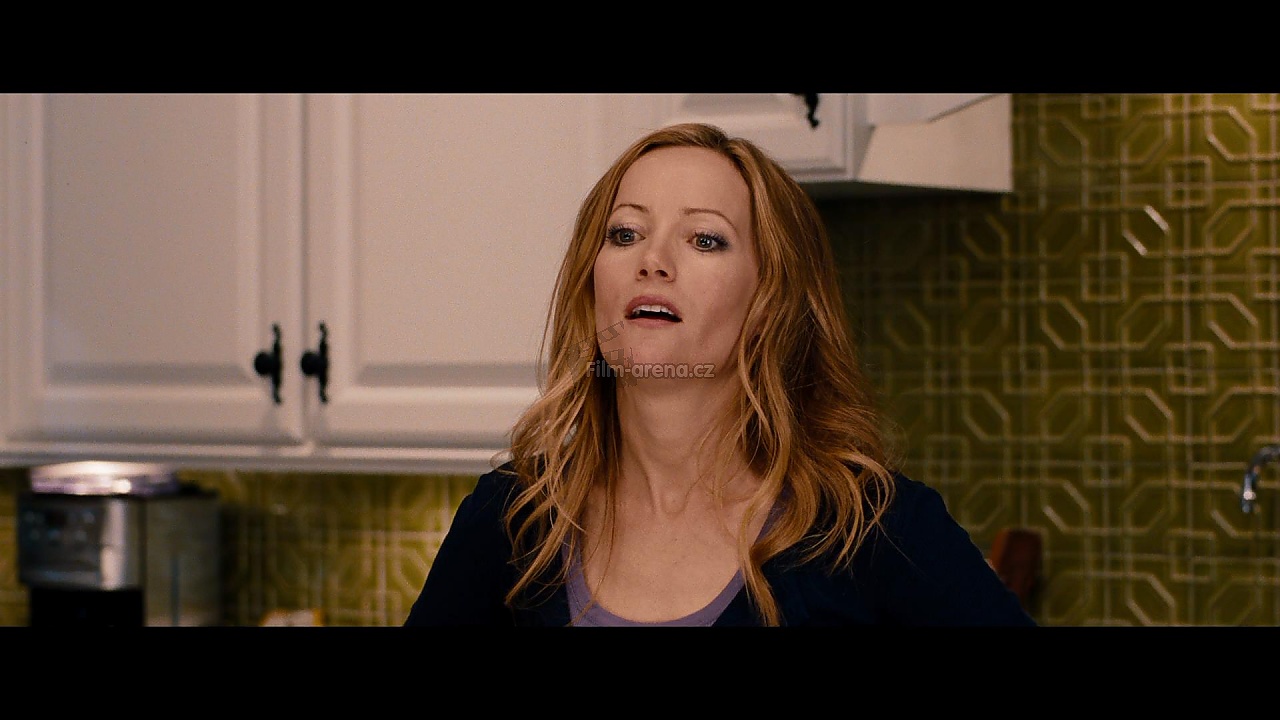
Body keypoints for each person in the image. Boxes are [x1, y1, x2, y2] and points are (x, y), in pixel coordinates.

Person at [404, 122, 1036, 626]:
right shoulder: (510, 519)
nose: (652, 259)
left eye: (704, 239)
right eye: (624, 233)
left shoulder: (874, 531)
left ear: (771, 300)